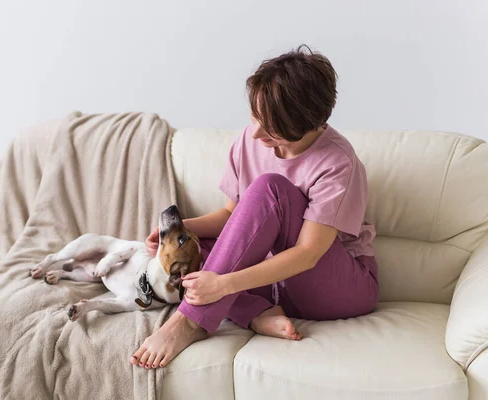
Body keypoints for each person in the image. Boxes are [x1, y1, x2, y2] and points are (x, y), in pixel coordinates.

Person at [130, 44, 379, 369]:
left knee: (269, 189)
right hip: (278, 281)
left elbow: (308, 254)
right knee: (195, 250)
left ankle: (188, 323)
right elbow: (234, 218)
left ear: (307, 123)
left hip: (336, 286)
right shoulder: (251, 139)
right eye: (255, 117)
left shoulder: (337, 162)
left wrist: (223, 285)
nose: (256, 132)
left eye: (272, 126)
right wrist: (182, 230)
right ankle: (256, 313)